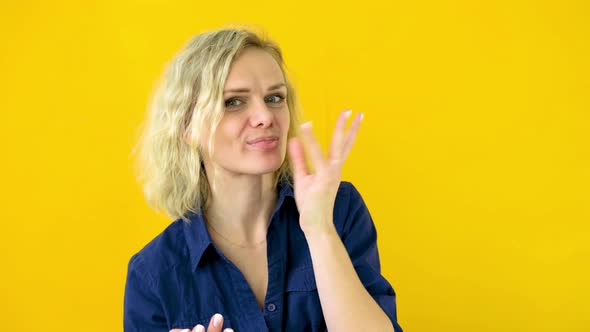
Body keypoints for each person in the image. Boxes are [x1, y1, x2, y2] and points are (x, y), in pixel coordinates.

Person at [124, 25, 403, 332]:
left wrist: (320, 230)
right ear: (187, 126)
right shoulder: (152, 274)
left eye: (274, 98)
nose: (265, 116)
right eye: (233, 102)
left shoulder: (339, 209)